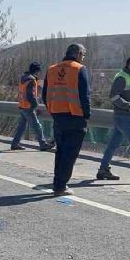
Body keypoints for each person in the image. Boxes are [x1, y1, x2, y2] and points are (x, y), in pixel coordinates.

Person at [42, 43, 91, 196]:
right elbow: (85, 96)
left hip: (58, 116)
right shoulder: (79, 69)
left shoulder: (52, 69)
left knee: (61, 151)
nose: (83, 58)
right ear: (77, 54)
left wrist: (53, 110)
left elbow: (45, 95)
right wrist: (86, 115)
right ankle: (61, 186)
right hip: (75, 117)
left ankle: (58, 183)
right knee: (70, 153)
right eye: (83, 55)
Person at [10, 61, 55, 151]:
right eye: (39, 71)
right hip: (28, 107)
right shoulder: (31, 80)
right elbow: (30, 95)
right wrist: (35, 105)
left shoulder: (24, 78)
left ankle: (15, 144)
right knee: (37, 126)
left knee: (22, 127)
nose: (39, 73)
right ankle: (43, 144)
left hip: (22, 106)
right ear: (36, 71)